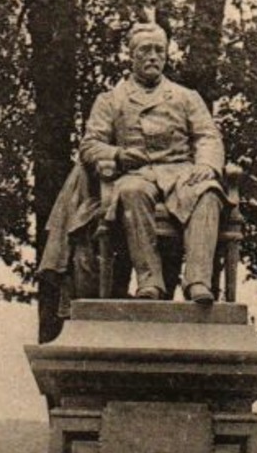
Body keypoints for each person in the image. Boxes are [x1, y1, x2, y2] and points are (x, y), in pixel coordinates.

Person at [77, 21, 226, 304]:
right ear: (131, 56)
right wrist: (118, 155)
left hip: (180, 171)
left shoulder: (185, 97)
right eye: (145, 50)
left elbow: (208, 136)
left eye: (159, 50)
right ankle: (150, 281)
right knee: (131, 192)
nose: (153, 56)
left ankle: (197, 282)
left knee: (207, 192)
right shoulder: (112, 100)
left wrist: (206, 165)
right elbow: (90, 145)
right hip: (137, 173)